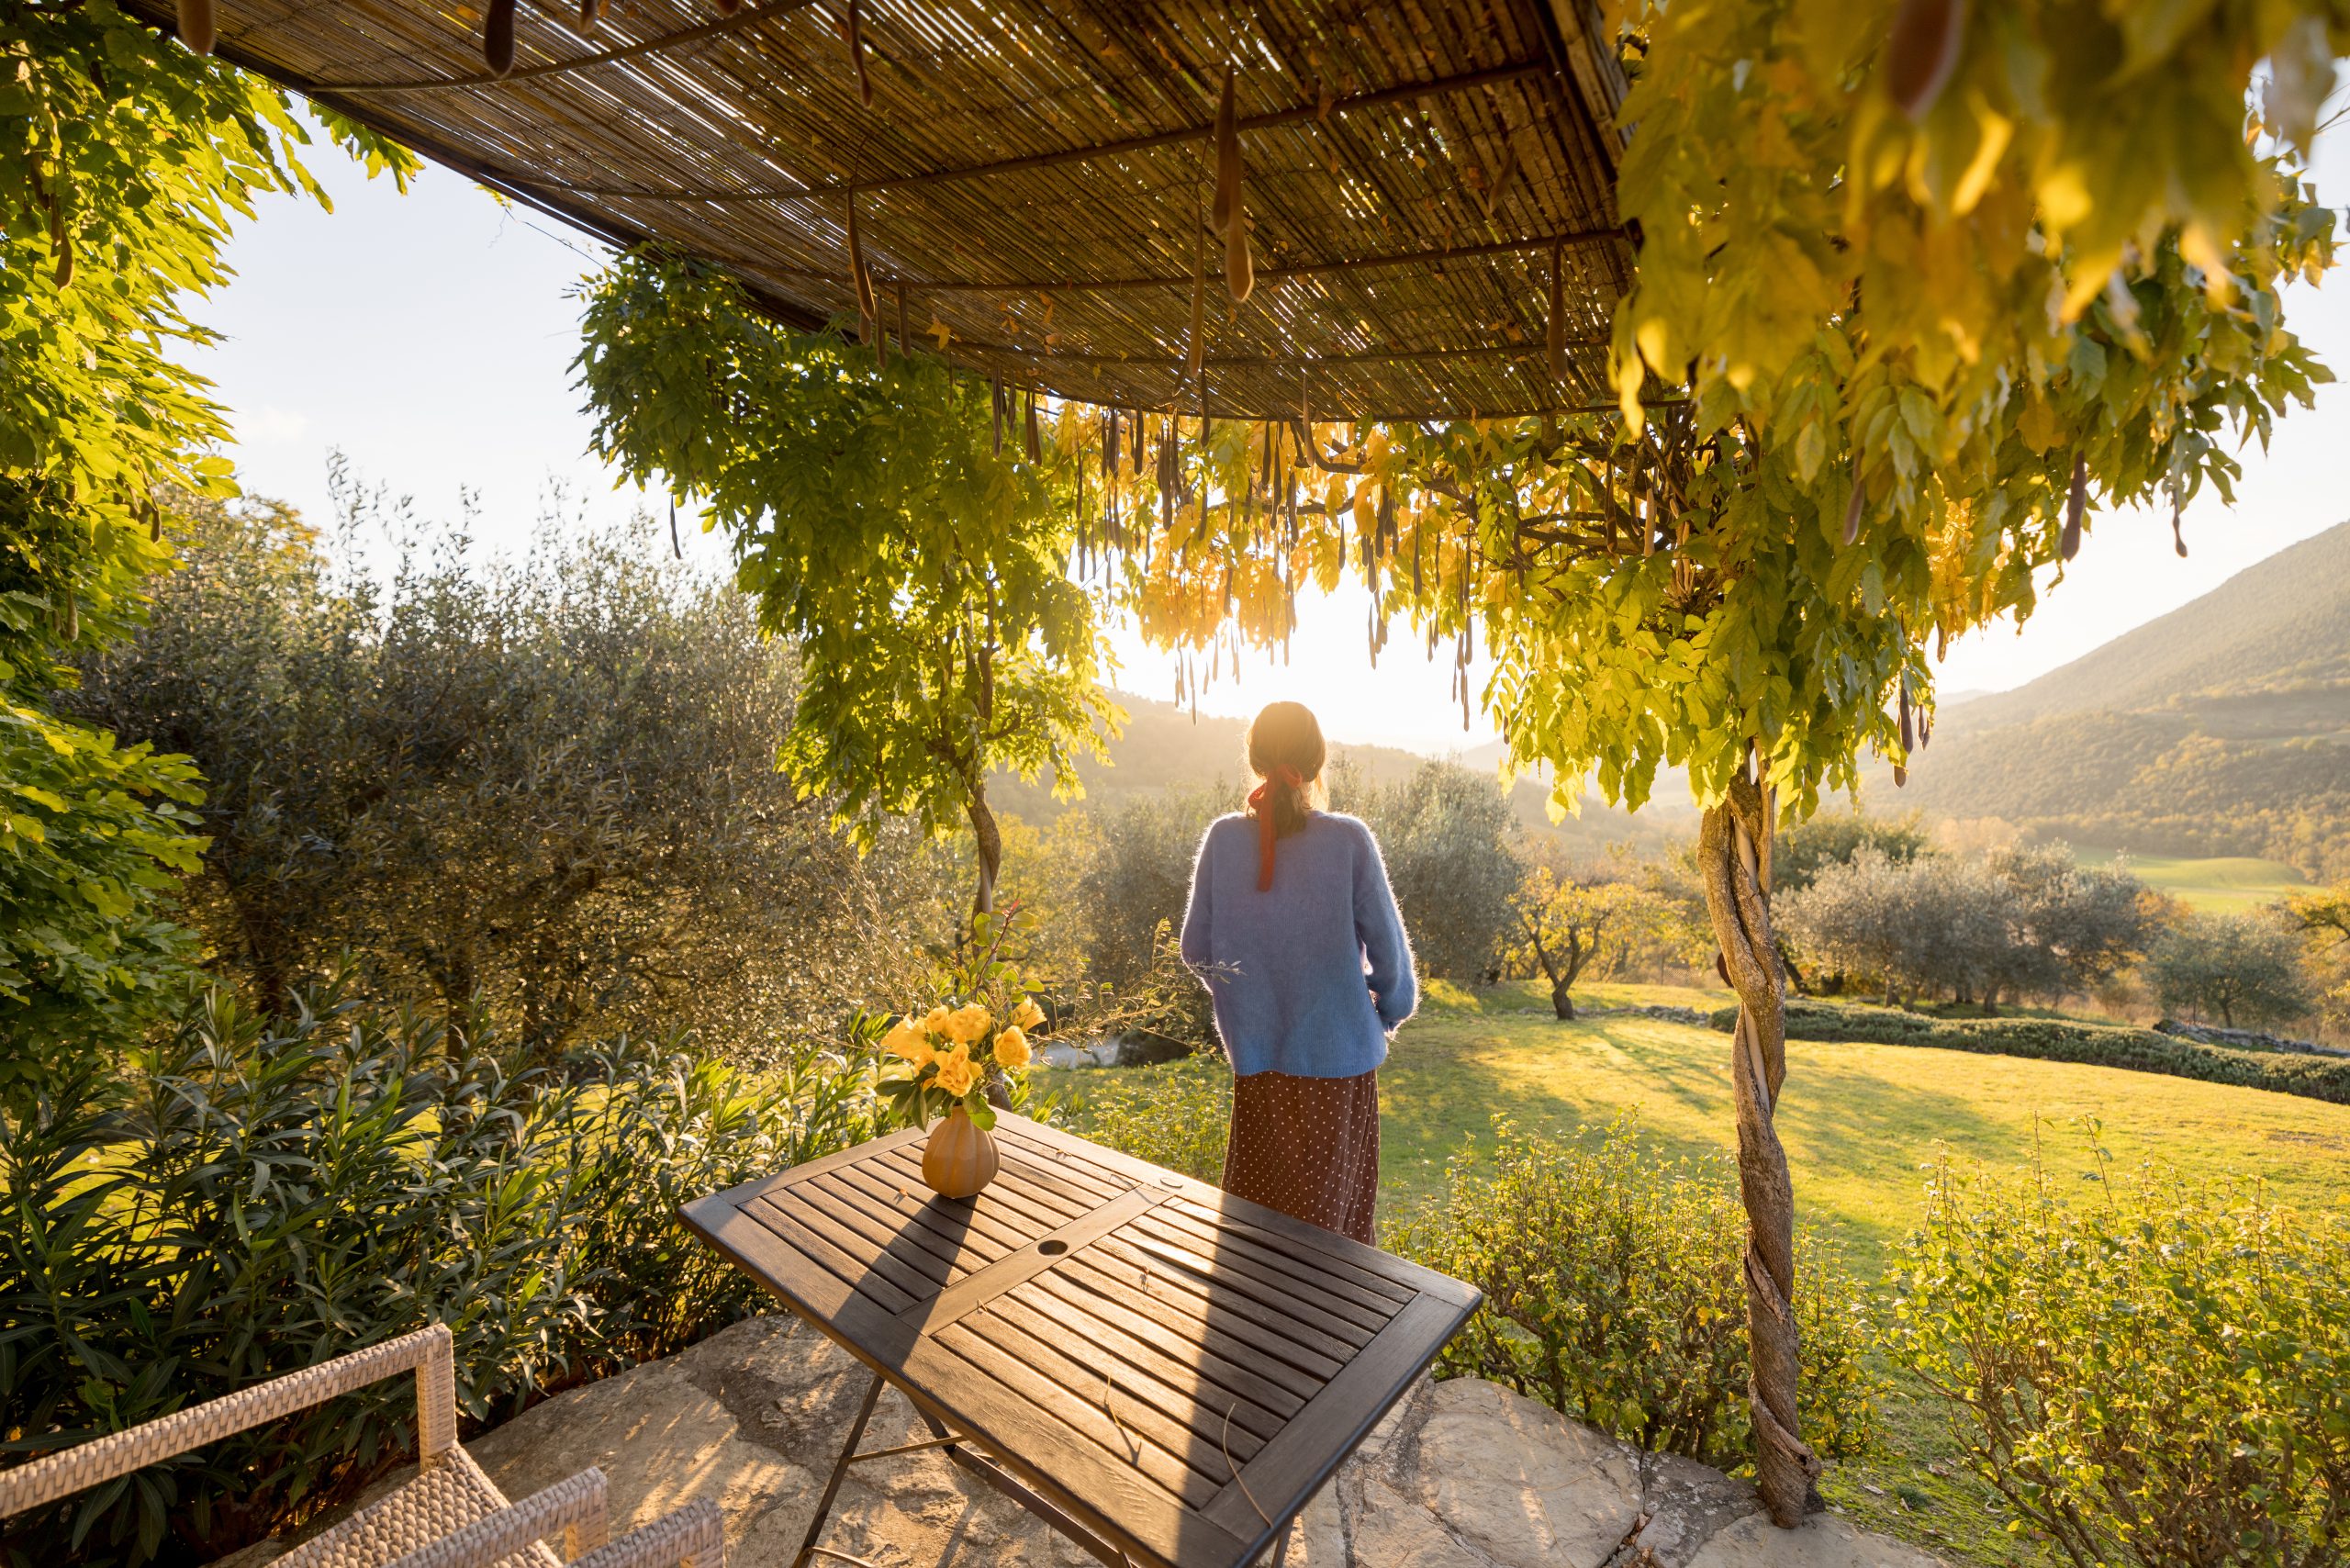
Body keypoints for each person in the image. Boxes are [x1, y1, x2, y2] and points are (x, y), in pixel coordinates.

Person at [1178, 700, 1416, 1244]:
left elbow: (1195, 949)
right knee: (1336, 1230)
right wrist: (1382, 1012)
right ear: (1316, 760)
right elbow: (1391, 961)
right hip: (1341, 1067)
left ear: (1257, 757)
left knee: (1255, 1227)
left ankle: (1255, 1325)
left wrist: (1248, 1004)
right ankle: (1327, 1329)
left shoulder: (1222, 839)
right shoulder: (1348, 841)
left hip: (1259, 1068)